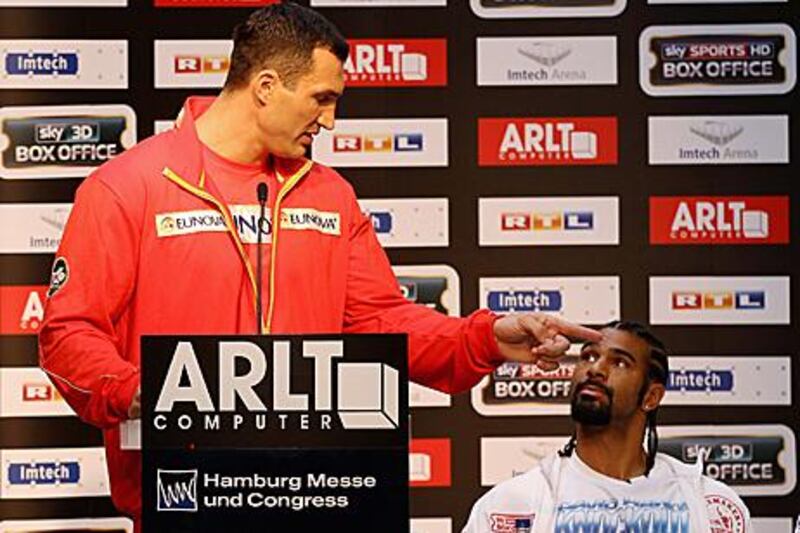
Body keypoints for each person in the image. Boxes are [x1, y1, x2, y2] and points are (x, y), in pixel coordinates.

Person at [38, 3, 601, 530]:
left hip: (313, 494)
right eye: (321, 99)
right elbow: (68, 333)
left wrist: (484, 338)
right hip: (183, 497)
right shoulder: (128, 186)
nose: (330, 122)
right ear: (265, 87)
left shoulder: (328, 195)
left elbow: (381, 320)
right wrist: (143, 389)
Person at [463, 320, 752, 533]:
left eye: (621, 363)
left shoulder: (710, 505)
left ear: (651, 397)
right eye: (588, 356)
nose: (595, 369)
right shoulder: (513, 506)